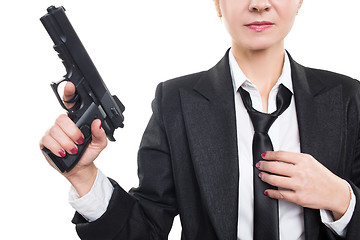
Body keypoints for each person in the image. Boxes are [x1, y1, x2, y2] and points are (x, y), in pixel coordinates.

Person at [40, 0, 360, 239]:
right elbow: (145, 228)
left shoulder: (349, 97)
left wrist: (341, 198)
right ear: (218, 4)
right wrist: (84, 177)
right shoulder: (175, 102)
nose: (260, 5)